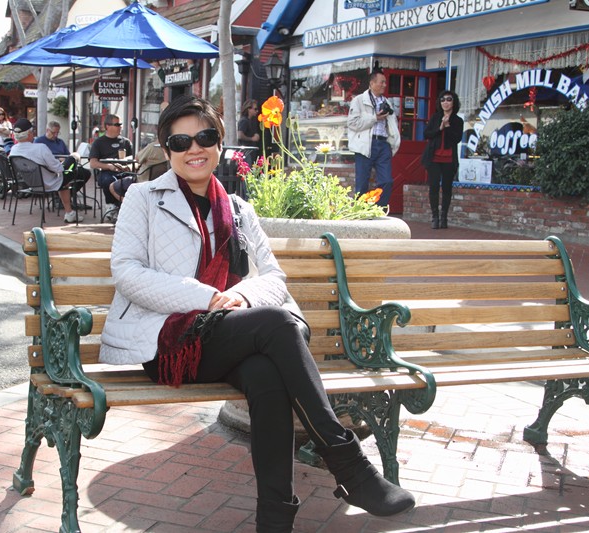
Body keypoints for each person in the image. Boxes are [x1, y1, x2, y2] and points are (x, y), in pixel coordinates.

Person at [99, 95, 415, 532]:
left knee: (266, 377)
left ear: (220, 142)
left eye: (204, 137)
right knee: (279, 322)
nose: (194, 149)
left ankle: (275, 518)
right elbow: (127, 272)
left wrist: (242, 298)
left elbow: (273, 277)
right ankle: (350, 467)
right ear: (167, 150)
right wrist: (207, 297)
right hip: (170, 344)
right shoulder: (143, 197)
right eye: (180, 142)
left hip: (230, 334)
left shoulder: (239, 210)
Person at [9, 118, 85, 224]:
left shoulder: (13, 150)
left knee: (65, 176)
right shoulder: (40, 148)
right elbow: (58, 169)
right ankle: (69, 212)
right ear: (29, 133)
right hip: (49, 183)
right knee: (70, 166)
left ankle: (68, 211)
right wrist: (71, 159)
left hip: (29, 184)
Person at [347, 71, 400, 207]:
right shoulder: (359, 100)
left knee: (387, 181)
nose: (384, 85)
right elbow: (352, 123)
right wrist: (374, 118)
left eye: (385, 82)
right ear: (372, 83)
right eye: (381, 82)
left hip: (383, 144)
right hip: (366, 144)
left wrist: (393, 142)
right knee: (362, 184)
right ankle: (360, 213)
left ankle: (378, 210)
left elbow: (392, 124)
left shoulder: (387, 102)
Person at [421, 90, 464, 229]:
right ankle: (435, 217)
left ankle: (444, 217)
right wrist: (440, 128)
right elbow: (427, 134)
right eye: (443, 99)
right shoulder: (435, 117)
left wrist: (448, 126)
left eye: (449, 99)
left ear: (453, 102)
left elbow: (457, 138)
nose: (445, 102)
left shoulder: (457, 120)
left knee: (447, 188)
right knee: (433, 187)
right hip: (434, 158)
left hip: (449, 159)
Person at [34, 120, 92, 209]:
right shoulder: (39, 142)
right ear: (47, 130)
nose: (55, 135)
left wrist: (68, 158)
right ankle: (60, 198)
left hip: (63, 166)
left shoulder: (60, 142)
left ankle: (68, 196)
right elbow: (39, 158)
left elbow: (67, 155)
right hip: (50, 169)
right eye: (53, 133)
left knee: (85, 173)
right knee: (67, 174)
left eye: (57, 133)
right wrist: (57, 159)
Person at [88, 115, 134, 204]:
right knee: (108, 180)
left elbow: (135, 158)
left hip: (124, 171)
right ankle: (111, 205)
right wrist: (109, 166)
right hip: (106, 172)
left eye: (120, 124)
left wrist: (127, 166)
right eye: (117, 124)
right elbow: (93, 163)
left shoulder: (126, 142)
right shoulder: (98, 142)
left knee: (134, 180)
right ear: (107, 126)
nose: (120, 127)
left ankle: (127, 205)